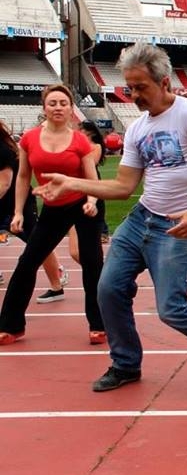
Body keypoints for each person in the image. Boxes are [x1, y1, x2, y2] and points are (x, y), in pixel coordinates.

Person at [35, 43, 187, 393]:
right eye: (129, 87)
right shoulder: (138, 128)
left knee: (172, 309)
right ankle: (126, 363)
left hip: (177, 226)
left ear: (164, 82)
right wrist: (72, 182)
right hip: (141, 218)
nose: (134, 95)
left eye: (141, 86)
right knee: (109, 290)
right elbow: (124, 185)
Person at [0, 85, 105, 346]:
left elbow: (93, 179)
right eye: (52, 103)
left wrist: (92, 201)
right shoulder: (29, 139)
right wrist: (17, 213)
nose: (58, 107)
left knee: (92, 264)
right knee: (27, 262)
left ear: (71, 109)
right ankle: (11, 325)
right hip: (54, 207)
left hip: (83, 203)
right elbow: (23, 177)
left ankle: (99, 324)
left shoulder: (80, 141)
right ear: (44, 108)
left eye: (63, 103)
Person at [0, 119, 68, 301]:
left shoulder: (2, 150)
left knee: (38, 244)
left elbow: (4, 183)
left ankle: (56, 284)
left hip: (16, 204)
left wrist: (18, 212)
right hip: (5, 205)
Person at [68, 120, 108, 265]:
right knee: (74, 251)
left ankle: (100, 276)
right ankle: (99, 273)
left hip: (90, 194)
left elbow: (89, 164)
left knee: (90, 251)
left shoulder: (95, 147)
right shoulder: (73, 146)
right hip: (73, 195)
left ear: (88, 132)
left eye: (80, 130)